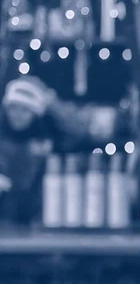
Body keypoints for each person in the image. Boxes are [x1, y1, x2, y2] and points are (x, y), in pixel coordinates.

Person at [0, 75, 90, 224]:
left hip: (44, 218)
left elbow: (79, 132)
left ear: (36, 113)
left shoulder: (49, 135)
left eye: (25, 110)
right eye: (13, 108)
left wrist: (51, 103)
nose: (18, 115)